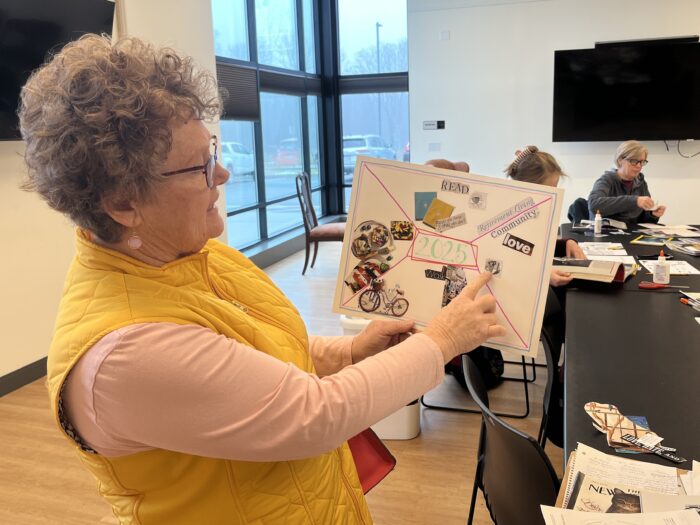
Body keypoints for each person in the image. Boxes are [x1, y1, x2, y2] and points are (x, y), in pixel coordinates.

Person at [19, 35, 505, 525]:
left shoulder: (196, 257)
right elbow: (315, 415)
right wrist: (443, 340)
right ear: (124, 203)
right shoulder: (124, 354)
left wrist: (351, 353)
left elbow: (261, 351)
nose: (224, 172)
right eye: (201, 166)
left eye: (211, 150)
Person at [505, 145, 583, 447]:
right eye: (550, 188)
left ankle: (565, 375)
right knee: (567, 308)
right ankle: (564, 383)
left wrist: (566, 244)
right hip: (516, 299)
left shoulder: (531, 209)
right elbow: (507, 263)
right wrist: (543, 275)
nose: (554, 195)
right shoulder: (510, 213)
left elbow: (537, 248)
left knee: (571, 302)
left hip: (532, 288)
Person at [588, 140, 666, 225]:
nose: (639, 166)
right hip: (606, 233)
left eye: (642, 162)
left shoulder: (641, 183)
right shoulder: (607, 180)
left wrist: (652, 214)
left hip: (631, 234)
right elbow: (594, 204)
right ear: (620, 160)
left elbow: (644, 221)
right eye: (633, 161)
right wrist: (634, 201)